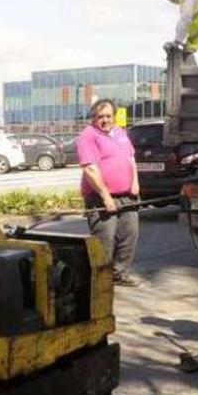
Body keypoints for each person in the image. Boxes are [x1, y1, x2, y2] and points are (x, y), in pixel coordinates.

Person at [76, 99, 143, 287]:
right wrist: (105, 196)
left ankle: (119, 273)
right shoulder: (88, 136)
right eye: (100, 117)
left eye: (108, 116)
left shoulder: (120, 132)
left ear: (114, 116)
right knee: (104, 241)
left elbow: (130, 158)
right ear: (93, 118)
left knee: (129, 235)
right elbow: (90, 169)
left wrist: (135, 183)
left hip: (126, 196)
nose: (105, 120)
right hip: (101, 198)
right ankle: (100, 280)